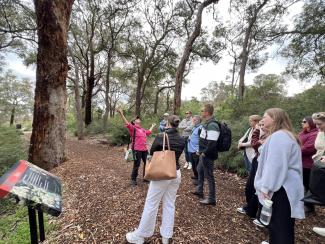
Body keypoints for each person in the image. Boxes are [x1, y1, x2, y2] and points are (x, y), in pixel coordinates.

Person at [125, 115, 185, 244]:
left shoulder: (161, 136)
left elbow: (151, 153)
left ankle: (140, 235)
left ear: (167, 123)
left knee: (151, 204)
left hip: (163, 173)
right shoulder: (182, 138)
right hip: (176, 172)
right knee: (169, 204)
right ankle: (166, 237)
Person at [254, 108, 304, 244]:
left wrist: (266, 188)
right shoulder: (282, 135)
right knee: (280, 225)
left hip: (281, 188)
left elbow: (275, 166)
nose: (261, 120)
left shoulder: (280, 136)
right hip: (283, 187)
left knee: (280, 227)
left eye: (265, 117)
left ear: (275, 118)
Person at [237, 121, 268, 219]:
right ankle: (251, 209)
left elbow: (254, 144)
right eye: (260, 125)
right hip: (256, 159)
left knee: (256, 188)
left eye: (263, 124)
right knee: (250, 187)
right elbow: (256, 143)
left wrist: (257, 130)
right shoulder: (263, 133)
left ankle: (254, 211)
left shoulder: (271, 135)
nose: (261, 127)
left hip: (262, 162)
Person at [117, 108, 156, 186]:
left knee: (148, 163)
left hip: (145, 150)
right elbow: (127, 123)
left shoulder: (142, 129)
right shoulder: (133, 128)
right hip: (137, 150)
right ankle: (133, 179)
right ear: (134, 122)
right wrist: (121, 114)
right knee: (137, 164)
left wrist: (152, 126)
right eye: (137, 119)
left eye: (138, 118)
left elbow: (148, 132)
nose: (139, 119)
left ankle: (146, 177)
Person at [194, 104, 219, 206]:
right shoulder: (207, 123)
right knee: (200, 170)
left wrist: (204, 153)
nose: (201, 112)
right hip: (203, 154)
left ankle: (212, 199)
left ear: (207, 112)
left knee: (209, 176)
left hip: (208, 155)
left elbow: (212, 143)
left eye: (202, 111)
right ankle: (199, 190)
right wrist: (200, 151)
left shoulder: (212, 125)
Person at [298, 116, 318, 213]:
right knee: (302, 184)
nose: (302, 123)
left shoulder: (315, 134)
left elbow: (309, 148)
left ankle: (309, 206)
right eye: (302, 121)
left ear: (311, 123)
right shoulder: (302, 133)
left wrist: (294, 150)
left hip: (308, 164)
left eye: (304, 121)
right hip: (300, 163)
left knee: (308, 185)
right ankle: (303, 203)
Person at [311, 112, 325, 237]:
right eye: (316, 124)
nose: (317, 127)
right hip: (320, 166)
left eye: (319, 124)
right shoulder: (320, 132)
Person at [187, 115, 202, 185]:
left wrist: (198, 150)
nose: (193, 121)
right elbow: (192, 135)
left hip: (196, 150)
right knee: (193, 165)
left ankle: (199, 180)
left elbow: (202, 140)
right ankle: (196, 176)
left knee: (197, 166)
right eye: (193, 120)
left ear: (198, 120)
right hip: (191, 149)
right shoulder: (194, 127)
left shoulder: (200, 128)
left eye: (194, 120)